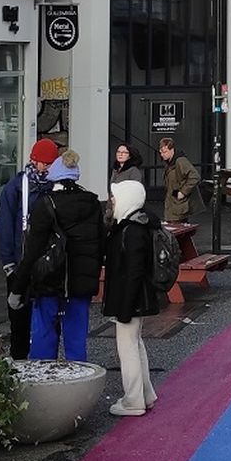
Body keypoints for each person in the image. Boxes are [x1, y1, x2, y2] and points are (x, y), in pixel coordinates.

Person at [12, 154, 105, 361]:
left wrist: (18, 287)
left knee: (44, 335)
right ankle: (80, 377)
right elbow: (100, 244)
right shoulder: (92, 202)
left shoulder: (47, 204)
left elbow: (32, 250)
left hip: (50, 278)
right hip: (81, 281)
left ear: (53, 176)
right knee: (76, 339)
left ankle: (44, 378)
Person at [101, 179, 160, 417]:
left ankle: (133, 399)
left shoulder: (131, 230)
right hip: (136, 298)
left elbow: (134, 272)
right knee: (135, 344)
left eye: (115, 197)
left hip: (130, 299)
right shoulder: (137, 225)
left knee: (128, 348)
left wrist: (125, 307)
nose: (112, 201)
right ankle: (145, 394)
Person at [0, 136, 59, 358]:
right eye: (46, 163)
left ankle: (44, 363)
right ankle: (19, 362)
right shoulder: (16, 188)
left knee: (48, 321)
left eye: (52, 164)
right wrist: (9, 264)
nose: (49, 168)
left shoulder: (55, 187)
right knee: (19, 322)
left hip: (48, 264)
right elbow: (5, 226)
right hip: (20, 263)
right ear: (35, 161)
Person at [158, 135, 201, 226]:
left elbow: (195, 176)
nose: (162, 155)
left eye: (165, 152)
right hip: (173, 201)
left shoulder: (180, 161)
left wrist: (183, 192)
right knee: (174, 227)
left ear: (172, 149)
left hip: (179, 204)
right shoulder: (169, 163)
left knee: (177, 227)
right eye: (161, 152)